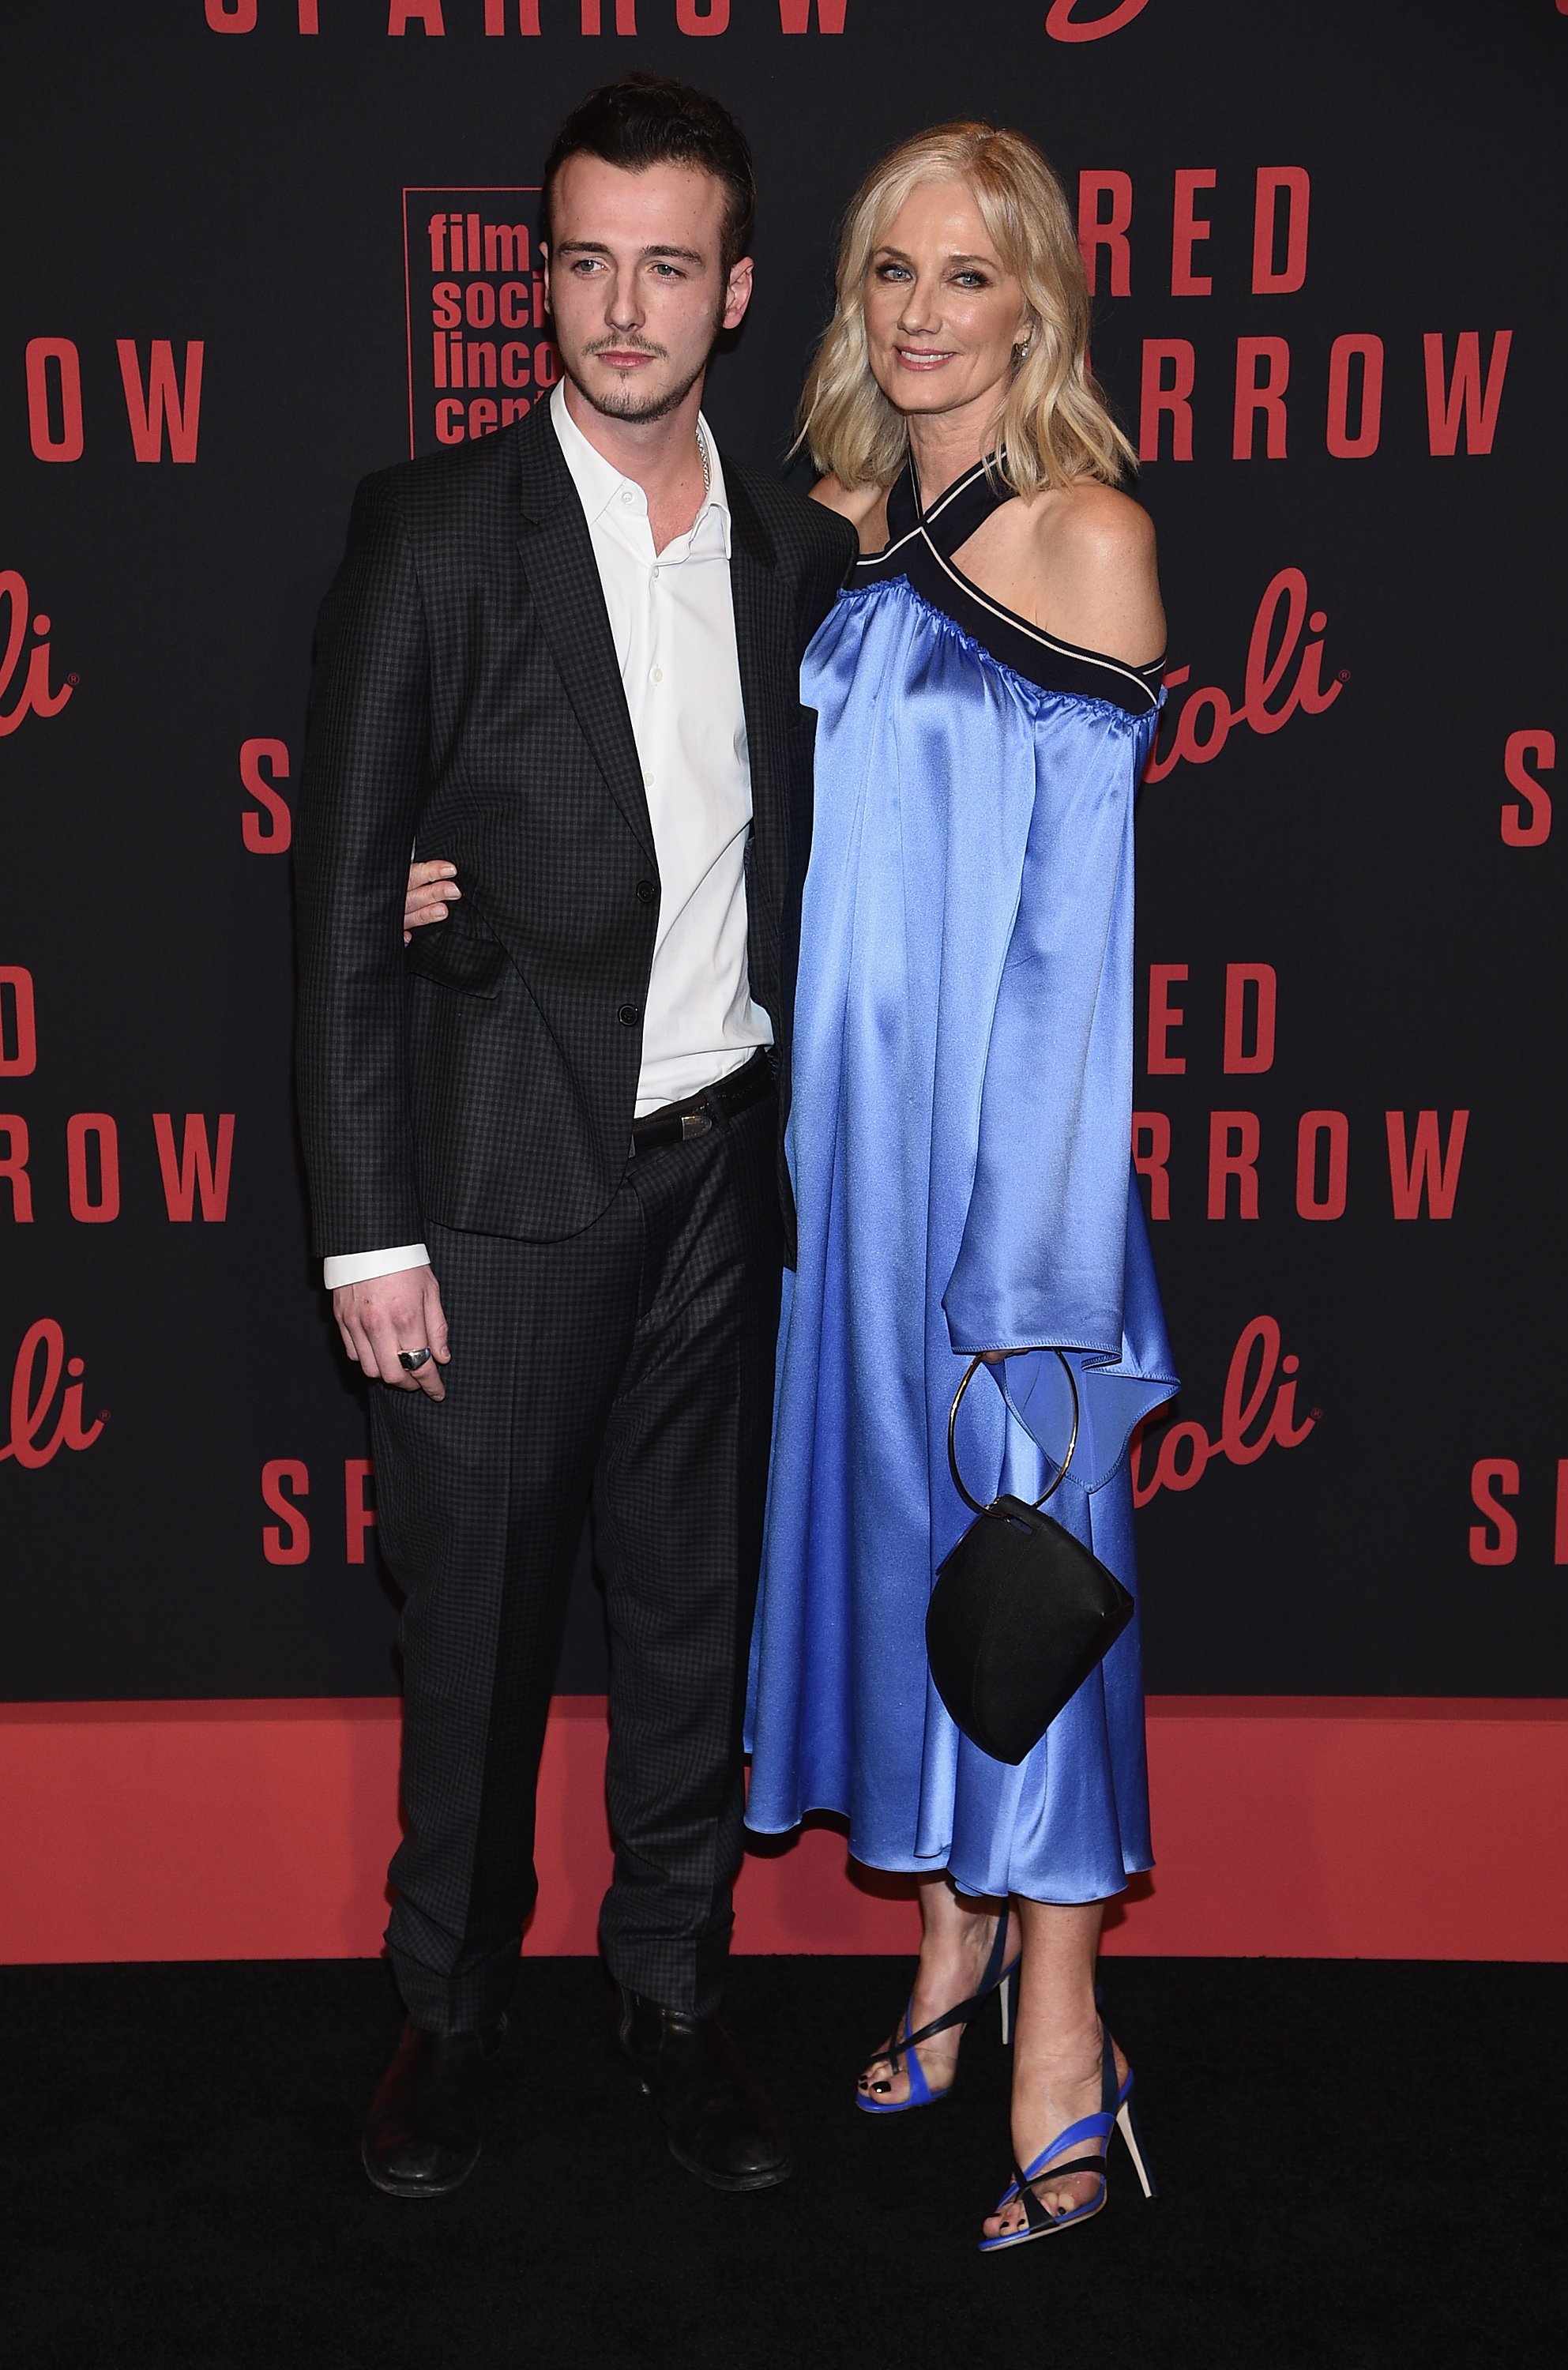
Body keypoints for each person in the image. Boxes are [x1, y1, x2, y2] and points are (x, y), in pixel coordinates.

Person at [296, 73, 854, 2202]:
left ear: (730, 292)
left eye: (666, 267)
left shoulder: (795, 545)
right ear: (543, 275)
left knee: (688, 1622)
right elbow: (345, 903)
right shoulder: (433, 531)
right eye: (585, 260)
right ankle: (444, 2016)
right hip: (499, 1198)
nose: (621, 309)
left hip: (720, 1172)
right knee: (481, 1640)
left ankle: (675, 2000)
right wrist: (370, 1240)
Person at [742, 122, 1178, 2251]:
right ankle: (943, 1936)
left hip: (1007, 1203)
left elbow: (1072, 945)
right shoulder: (848, 523)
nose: (920, 312)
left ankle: (1061, 2032)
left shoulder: (1087, 535)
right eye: (890, 275)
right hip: (846, 1177)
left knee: (1025, 1586)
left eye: (965, 279)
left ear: (1036, 305)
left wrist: (1033, 1272)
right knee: (899, 1571)